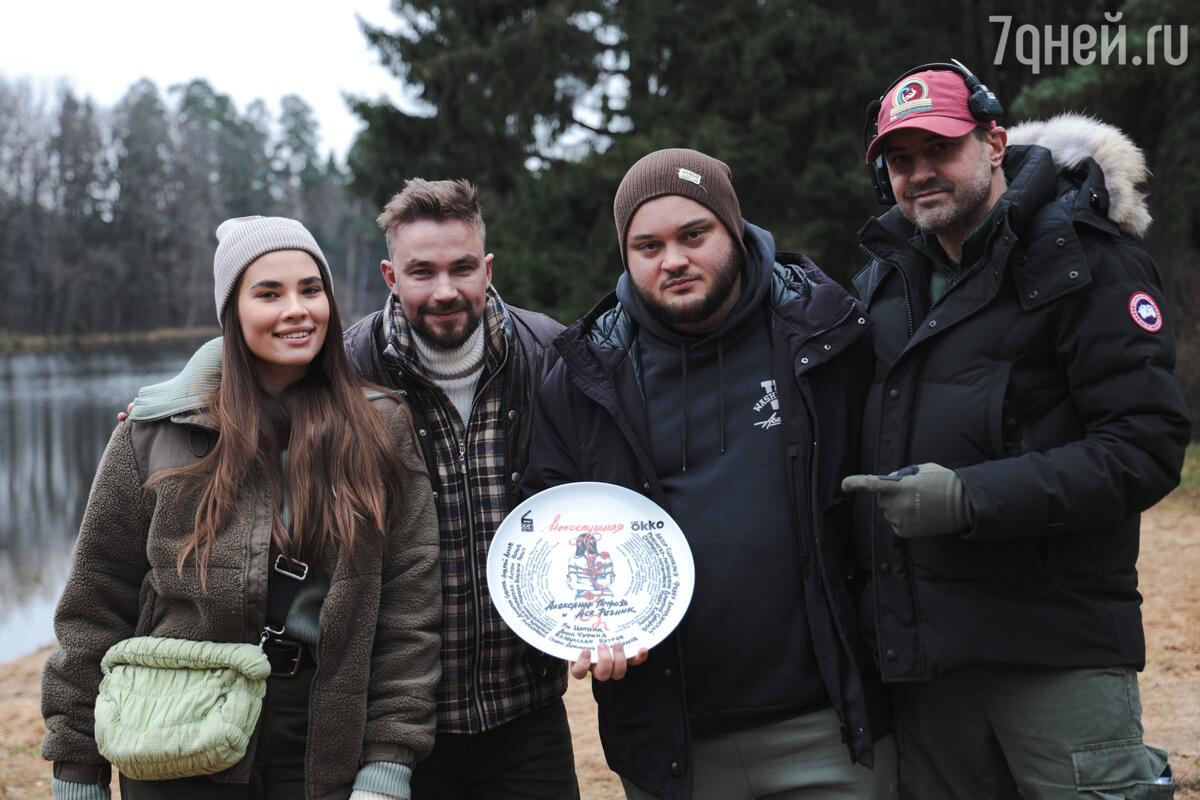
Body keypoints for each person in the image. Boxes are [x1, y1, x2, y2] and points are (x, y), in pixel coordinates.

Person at [124, 180, 576, 799]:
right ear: (390, 275)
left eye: (462, 267)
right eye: (422, 271)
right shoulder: (348, 368)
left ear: (487, 268)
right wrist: (167, 403)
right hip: (384, 717)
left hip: (523, 705)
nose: (444, 290)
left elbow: (598, 499)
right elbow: (251, 351)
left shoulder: (549, 355)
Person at [842, 61, 1190, 799]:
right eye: (900, 161)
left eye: (940, 149)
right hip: (926, 668)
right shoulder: (884, 283)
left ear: (994, 141)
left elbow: (1146, 445)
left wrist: (972, 499)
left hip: (1055, 655)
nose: (920, 174)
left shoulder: (1087, 259)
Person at [523, 148, 895, 800]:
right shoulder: (585, 374)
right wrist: (584, 625)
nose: (672, 260)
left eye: (693, 235)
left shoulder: (826, 332)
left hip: (831, 728)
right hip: (675, 743)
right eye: (647, 245)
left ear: (734, 228)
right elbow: (547, 523)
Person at [41, 216, 442, 799]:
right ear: (232, 311)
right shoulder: (153, 433)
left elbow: (409, 610)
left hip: (324, 737)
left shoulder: (381, 427)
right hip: (173, 735)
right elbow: (95, 603)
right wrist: (77, 770)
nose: (297, 309)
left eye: (310, 289)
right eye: (268, 293)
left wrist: (387, 764)